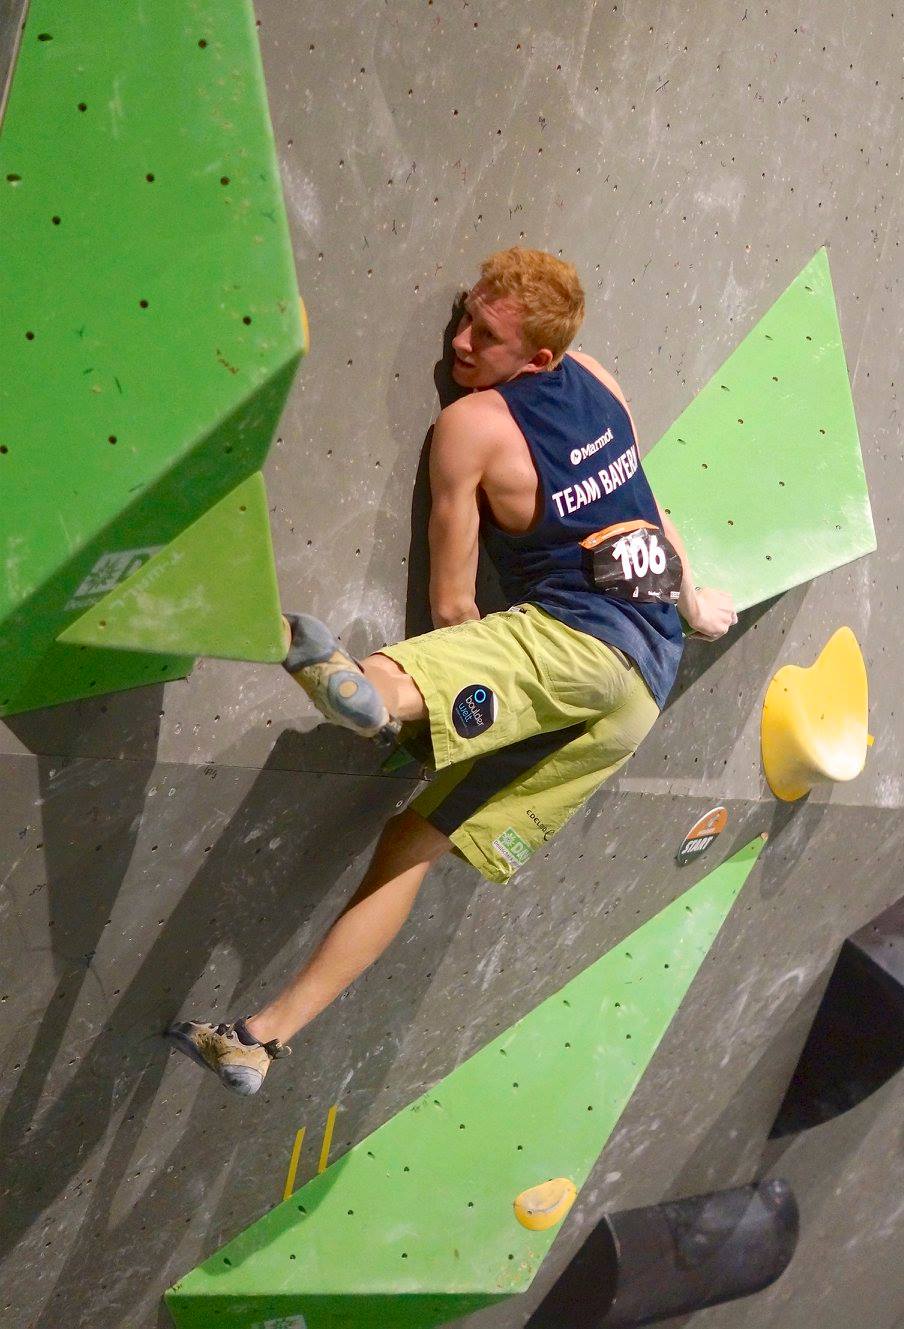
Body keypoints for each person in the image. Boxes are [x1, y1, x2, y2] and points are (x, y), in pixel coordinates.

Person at [167, 247, 736, 1095]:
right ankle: (260, 1038)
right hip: (637, 695)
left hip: (577, 647)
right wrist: (693, 602)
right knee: (411, 842)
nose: (461, 342)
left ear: (538, 359)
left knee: (410, 674)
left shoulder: (472, 425)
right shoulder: (600, 380)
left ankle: (377, 700)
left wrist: (433, 694)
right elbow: (648, 511)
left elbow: (454, 609)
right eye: (466, 314)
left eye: (488, 335)